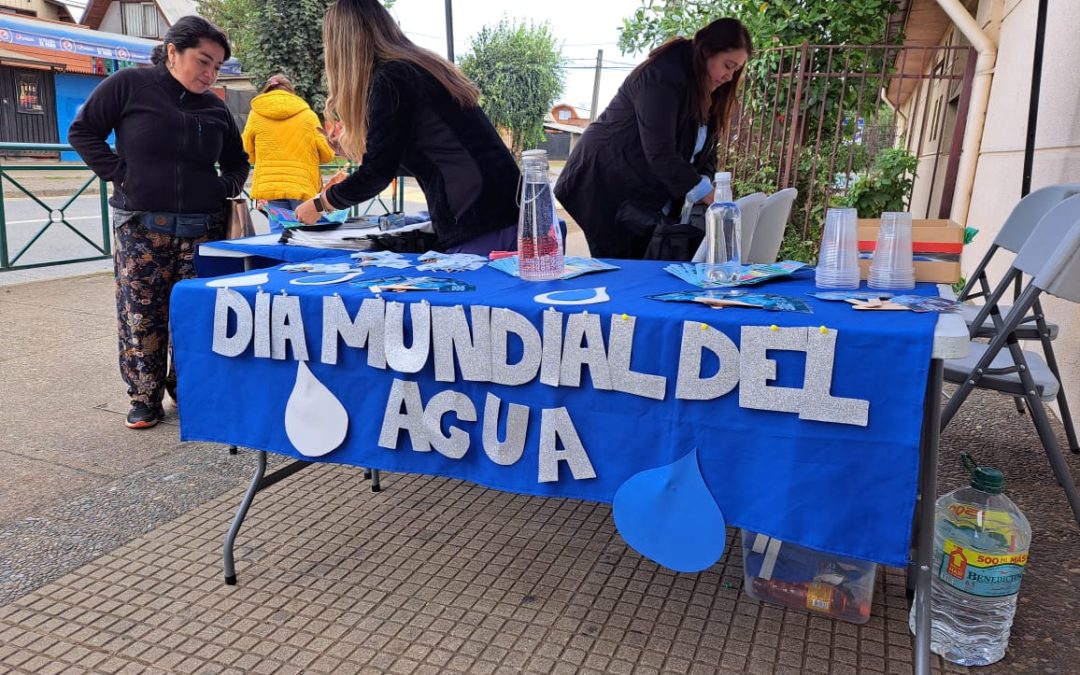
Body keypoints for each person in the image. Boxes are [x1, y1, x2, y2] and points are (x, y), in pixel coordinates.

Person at [69, 16, 249, 429]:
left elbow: (239, 162)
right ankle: (143, 396)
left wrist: (223, 186)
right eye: (203, 61)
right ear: (172, 51)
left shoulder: (216, 107)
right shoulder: (130, 85)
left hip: (203, 228)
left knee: (192, 315)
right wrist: (120, 173)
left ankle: (186, 389)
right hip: (141, 227)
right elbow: (83, 132)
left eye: (218, 66)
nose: (210, 73)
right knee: (141, 315)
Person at [294, 0, 520, 254]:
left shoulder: (392, 78)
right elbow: (429, 158)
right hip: (503, 211)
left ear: (342, 46)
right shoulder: (419, 66)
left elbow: (378, 173)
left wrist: (321, 204)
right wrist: (357, 152)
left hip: (479, 219)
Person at [554, 18, 752, 259]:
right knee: (623, 271)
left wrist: (706, 183)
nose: (730, 77)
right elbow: (660, 152)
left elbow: (708, 152)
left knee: (640, 269)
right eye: (728, 65)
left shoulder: (707, 89)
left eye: (736, 70)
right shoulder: (661, 77)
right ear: (707, 51)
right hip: (603, 184)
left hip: (639, 192)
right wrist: (705, 192)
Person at [242, 74, 335, 227]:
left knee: (278, 235)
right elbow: (327, 155)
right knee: (306, 235)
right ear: (292, 92)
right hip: (302, 185)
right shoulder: (308, 116)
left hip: (271, 184)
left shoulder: (255, 115)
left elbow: (248, 151)